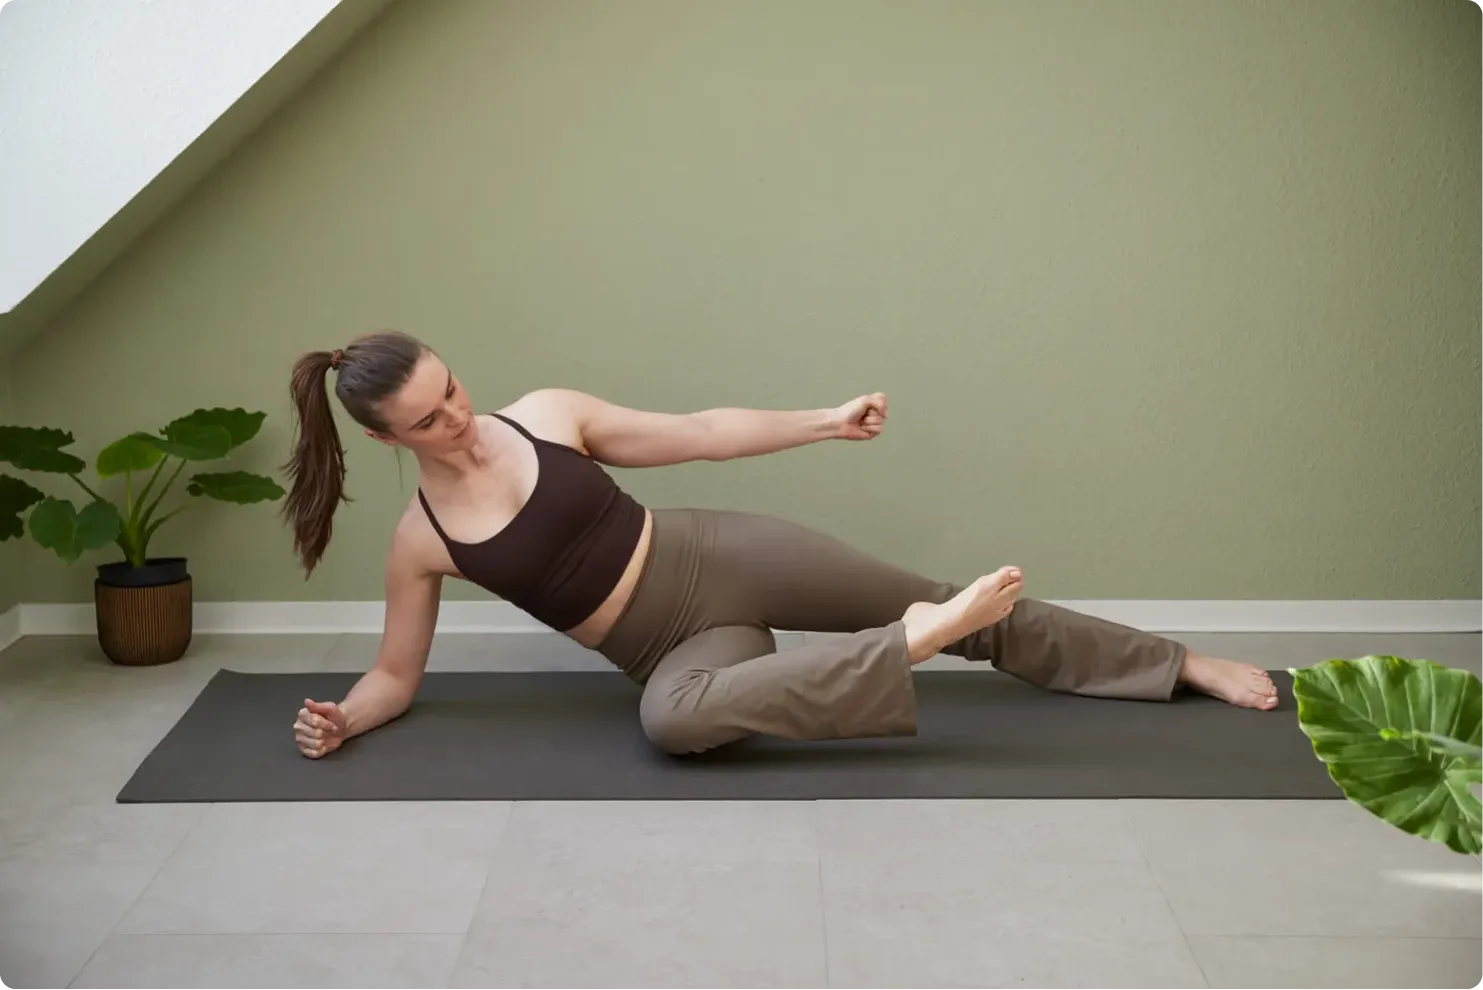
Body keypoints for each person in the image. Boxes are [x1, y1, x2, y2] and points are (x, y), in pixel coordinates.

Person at [284, 330, 1279, 760]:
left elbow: (702, 432)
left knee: (953, 599)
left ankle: (1175, 663)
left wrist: (825, 421)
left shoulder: (544, 414)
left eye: (452, 390)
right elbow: (395, 676)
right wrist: (346, 719)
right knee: (672, 726)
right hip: (672, 651)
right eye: (428, 420)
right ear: (388, 440)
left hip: (725, 555)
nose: (457, 417)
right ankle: (913, 643)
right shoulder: (421, 541)